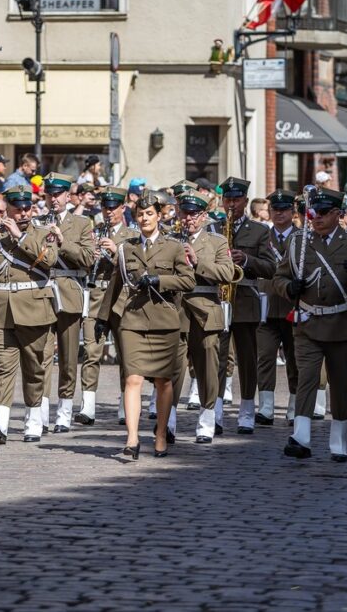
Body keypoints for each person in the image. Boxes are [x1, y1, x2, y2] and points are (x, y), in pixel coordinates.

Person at [273, 187, 347, 460]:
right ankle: (301, 437)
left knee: (339, 383)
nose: (316, 218)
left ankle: (338, 440)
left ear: (338, 214)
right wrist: (290, 287)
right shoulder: (299, 242)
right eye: (313, 212)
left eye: (323, 213)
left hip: (340, 323)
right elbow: (278, 278)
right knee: (306, 379)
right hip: (308, 322)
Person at [95, 190, 195, 459]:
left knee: (163, 381)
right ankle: (132, 438)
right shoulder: (127, 247)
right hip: (133, 320)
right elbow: (115, 284)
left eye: (149, 214)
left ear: (159, 216)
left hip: (164, 321)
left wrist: (160, 281)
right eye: (140, 214)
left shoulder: (173, 246)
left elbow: (188, 281)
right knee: (133, 378)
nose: (144, 218)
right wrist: (102, 319)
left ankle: (161, 434)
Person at [0, 184, 61, 444]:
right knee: (4, 368)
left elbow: (48, 260)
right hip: (2, 313)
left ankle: (33, 421)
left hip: (35, 310)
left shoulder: (44, 232)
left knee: (34, 368)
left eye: (27, 208)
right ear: (9, 209)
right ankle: (0, 423)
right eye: (18, 208)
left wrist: (19, 235)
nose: (23, 212)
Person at [218, 177, 276, 434]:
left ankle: (247, 411)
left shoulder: (260, 231)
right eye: (227, 199)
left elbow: (271, 267)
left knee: (247, 359)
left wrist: (248, 259)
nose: (231, 204)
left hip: (244, 299)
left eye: (236, 199)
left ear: (245, 201)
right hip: (218, 300)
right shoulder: (214, 228)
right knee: (217, 359)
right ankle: (215, 411)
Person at [175, 189, 234, 442]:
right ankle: (168, 421)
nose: (188, 218)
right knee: (173, 368)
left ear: (203, 216)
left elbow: (228, 273)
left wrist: (198, 262)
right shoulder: (170, 239)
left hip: (206, 309)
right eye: (184, 213)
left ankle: (207, 419)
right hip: (176, 310)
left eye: (193, 214)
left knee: (208, 368)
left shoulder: (217, 241)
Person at [77, 186, 138, 426]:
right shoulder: (95, 231)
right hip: (96, 296)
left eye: (113, 207)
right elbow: (82, 265)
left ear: (122, 208)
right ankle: (88, 407)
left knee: (126, 355)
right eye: (105, 207)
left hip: (121, 297)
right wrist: (88, 256)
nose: (108, 212)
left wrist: (115, 253)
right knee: (91, 352)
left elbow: (135, 266)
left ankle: (126, 405)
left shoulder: (131, 234)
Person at [42, 173, 96, 433]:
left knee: (67, 355)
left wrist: (62, 241)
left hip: (69, 292)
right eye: (50, 194)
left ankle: (64, 411)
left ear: (68, 196)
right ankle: (39, 411)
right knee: (40, 356)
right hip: (41, 293)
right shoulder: (37, 222)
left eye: (59, 194)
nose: (54, 198)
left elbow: (87, 258)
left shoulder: (82, 224)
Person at [254, 190, 300, 425]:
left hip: (293, 305)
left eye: (284, 209)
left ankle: (294, 407)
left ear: (293, 212)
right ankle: (266, 407)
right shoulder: (262, 235)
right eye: (275, 209)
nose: (279, 213)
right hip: (267, 303)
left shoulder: (302, 237)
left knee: (295, 359)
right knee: (265, 357)